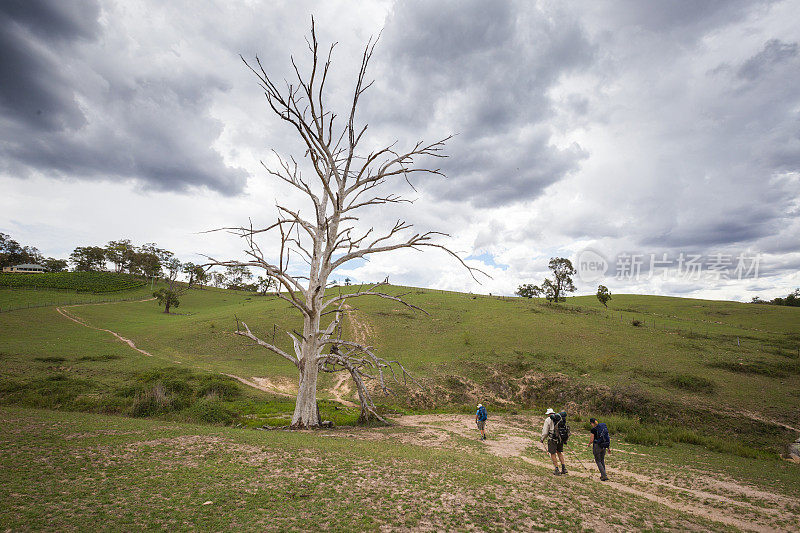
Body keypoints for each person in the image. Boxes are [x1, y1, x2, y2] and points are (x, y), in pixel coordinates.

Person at [541, 408, 567, 475]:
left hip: (552, 439)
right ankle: (564, 468)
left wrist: (542, 439)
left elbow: (545, 432)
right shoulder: (560, 418)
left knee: (553, 453)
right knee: (559, 452)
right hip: (560, 438)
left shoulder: (548, 420)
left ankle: (557, 469)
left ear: (549, 414)